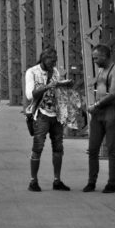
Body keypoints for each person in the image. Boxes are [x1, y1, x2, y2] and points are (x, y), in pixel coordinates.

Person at [24, 46, 74, 191]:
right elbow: (30, 94)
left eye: (55, 61)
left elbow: (57, 91)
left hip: (56, 114)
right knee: (38, 147)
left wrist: (64, 85)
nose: (53, 64)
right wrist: (48, 86)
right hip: (41, 114)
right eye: (51, 61)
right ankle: (33, 181)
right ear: (44, 59)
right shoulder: (32, 72)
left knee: (58, 147)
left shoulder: (55, 71)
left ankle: (57, 180)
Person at [84, 44, 115, 193]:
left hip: (111, 111)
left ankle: (111, 183)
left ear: (105, 56)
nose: (94, 60)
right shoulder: (101, 69)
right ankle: (91, 182)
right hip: (98, 112)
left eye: (96, 57)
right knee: (93, 149)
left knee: (112, 148)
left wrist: (96, 105)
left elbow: (113, 94)